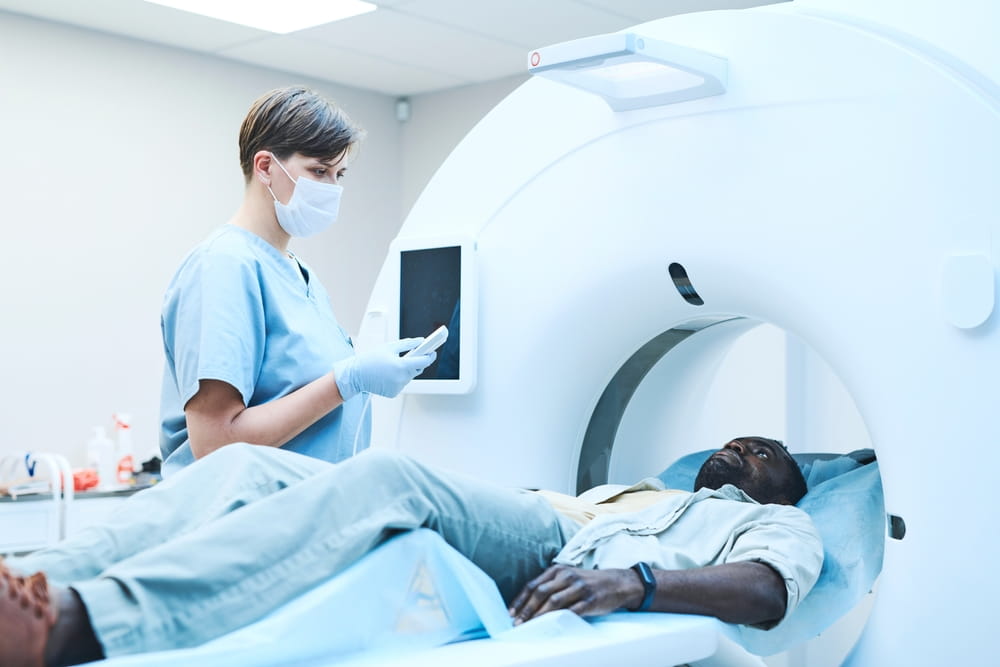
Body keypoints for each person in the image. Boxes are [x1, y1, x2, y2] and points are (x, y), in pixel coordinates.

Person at [0, 436, 822, 666]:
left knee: (389, 476)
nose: (742, 449)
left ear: (785, 486)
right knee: (243, 465)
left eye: (763, 453)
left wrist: (628, 580)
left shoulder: (775, 524)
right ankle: (38, 584)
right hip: (552, 513)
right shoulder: (652, 488)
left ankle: (82, 623)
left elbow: (762, 592)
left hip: (558, 544)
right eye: (736, 440)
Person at [159, 86, 434, 474]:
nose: (332, 189)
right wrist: (346, 381)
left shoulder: (299, 274)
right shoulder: (223, 265)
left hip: (303, 510)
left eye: (339, 175)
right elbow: (214, 443)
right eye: (319, 171)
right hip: (238, 516)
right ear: (266, 167)